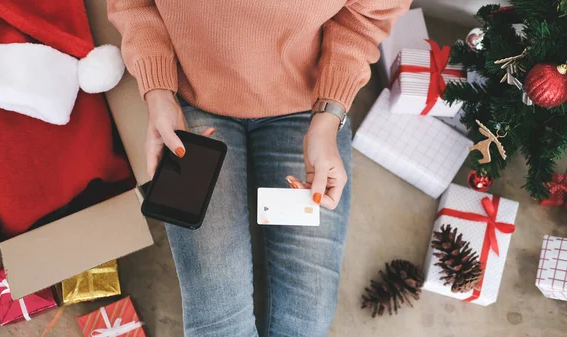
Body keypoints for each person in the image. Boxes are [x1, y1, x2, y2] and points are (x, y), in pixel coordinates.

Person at [108, 1, 410, 336]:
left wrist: (329, 115)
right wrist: (158, 90)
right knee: (217, 318)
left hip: (307, 101)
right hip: (189, 94)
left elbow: (367, 17)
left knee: (306, 319)